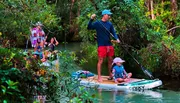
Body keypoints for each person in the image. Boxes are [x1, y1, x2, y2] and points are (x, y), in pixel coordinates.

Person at [87, 9, 120, 82]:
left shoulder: (109, 24)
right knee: (100, 61)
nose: (109, 16)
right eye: (108, 15)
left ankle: (110, 74)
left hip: (109, 44)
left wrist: (116, 38)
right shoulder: (97, 23)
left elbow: (114, 32)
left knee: (110, 60)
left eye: (109, 15)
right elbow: (89, 27)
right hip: (101, 45)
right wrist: (91, 19)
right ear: (104, 15)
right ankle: (99, 76)